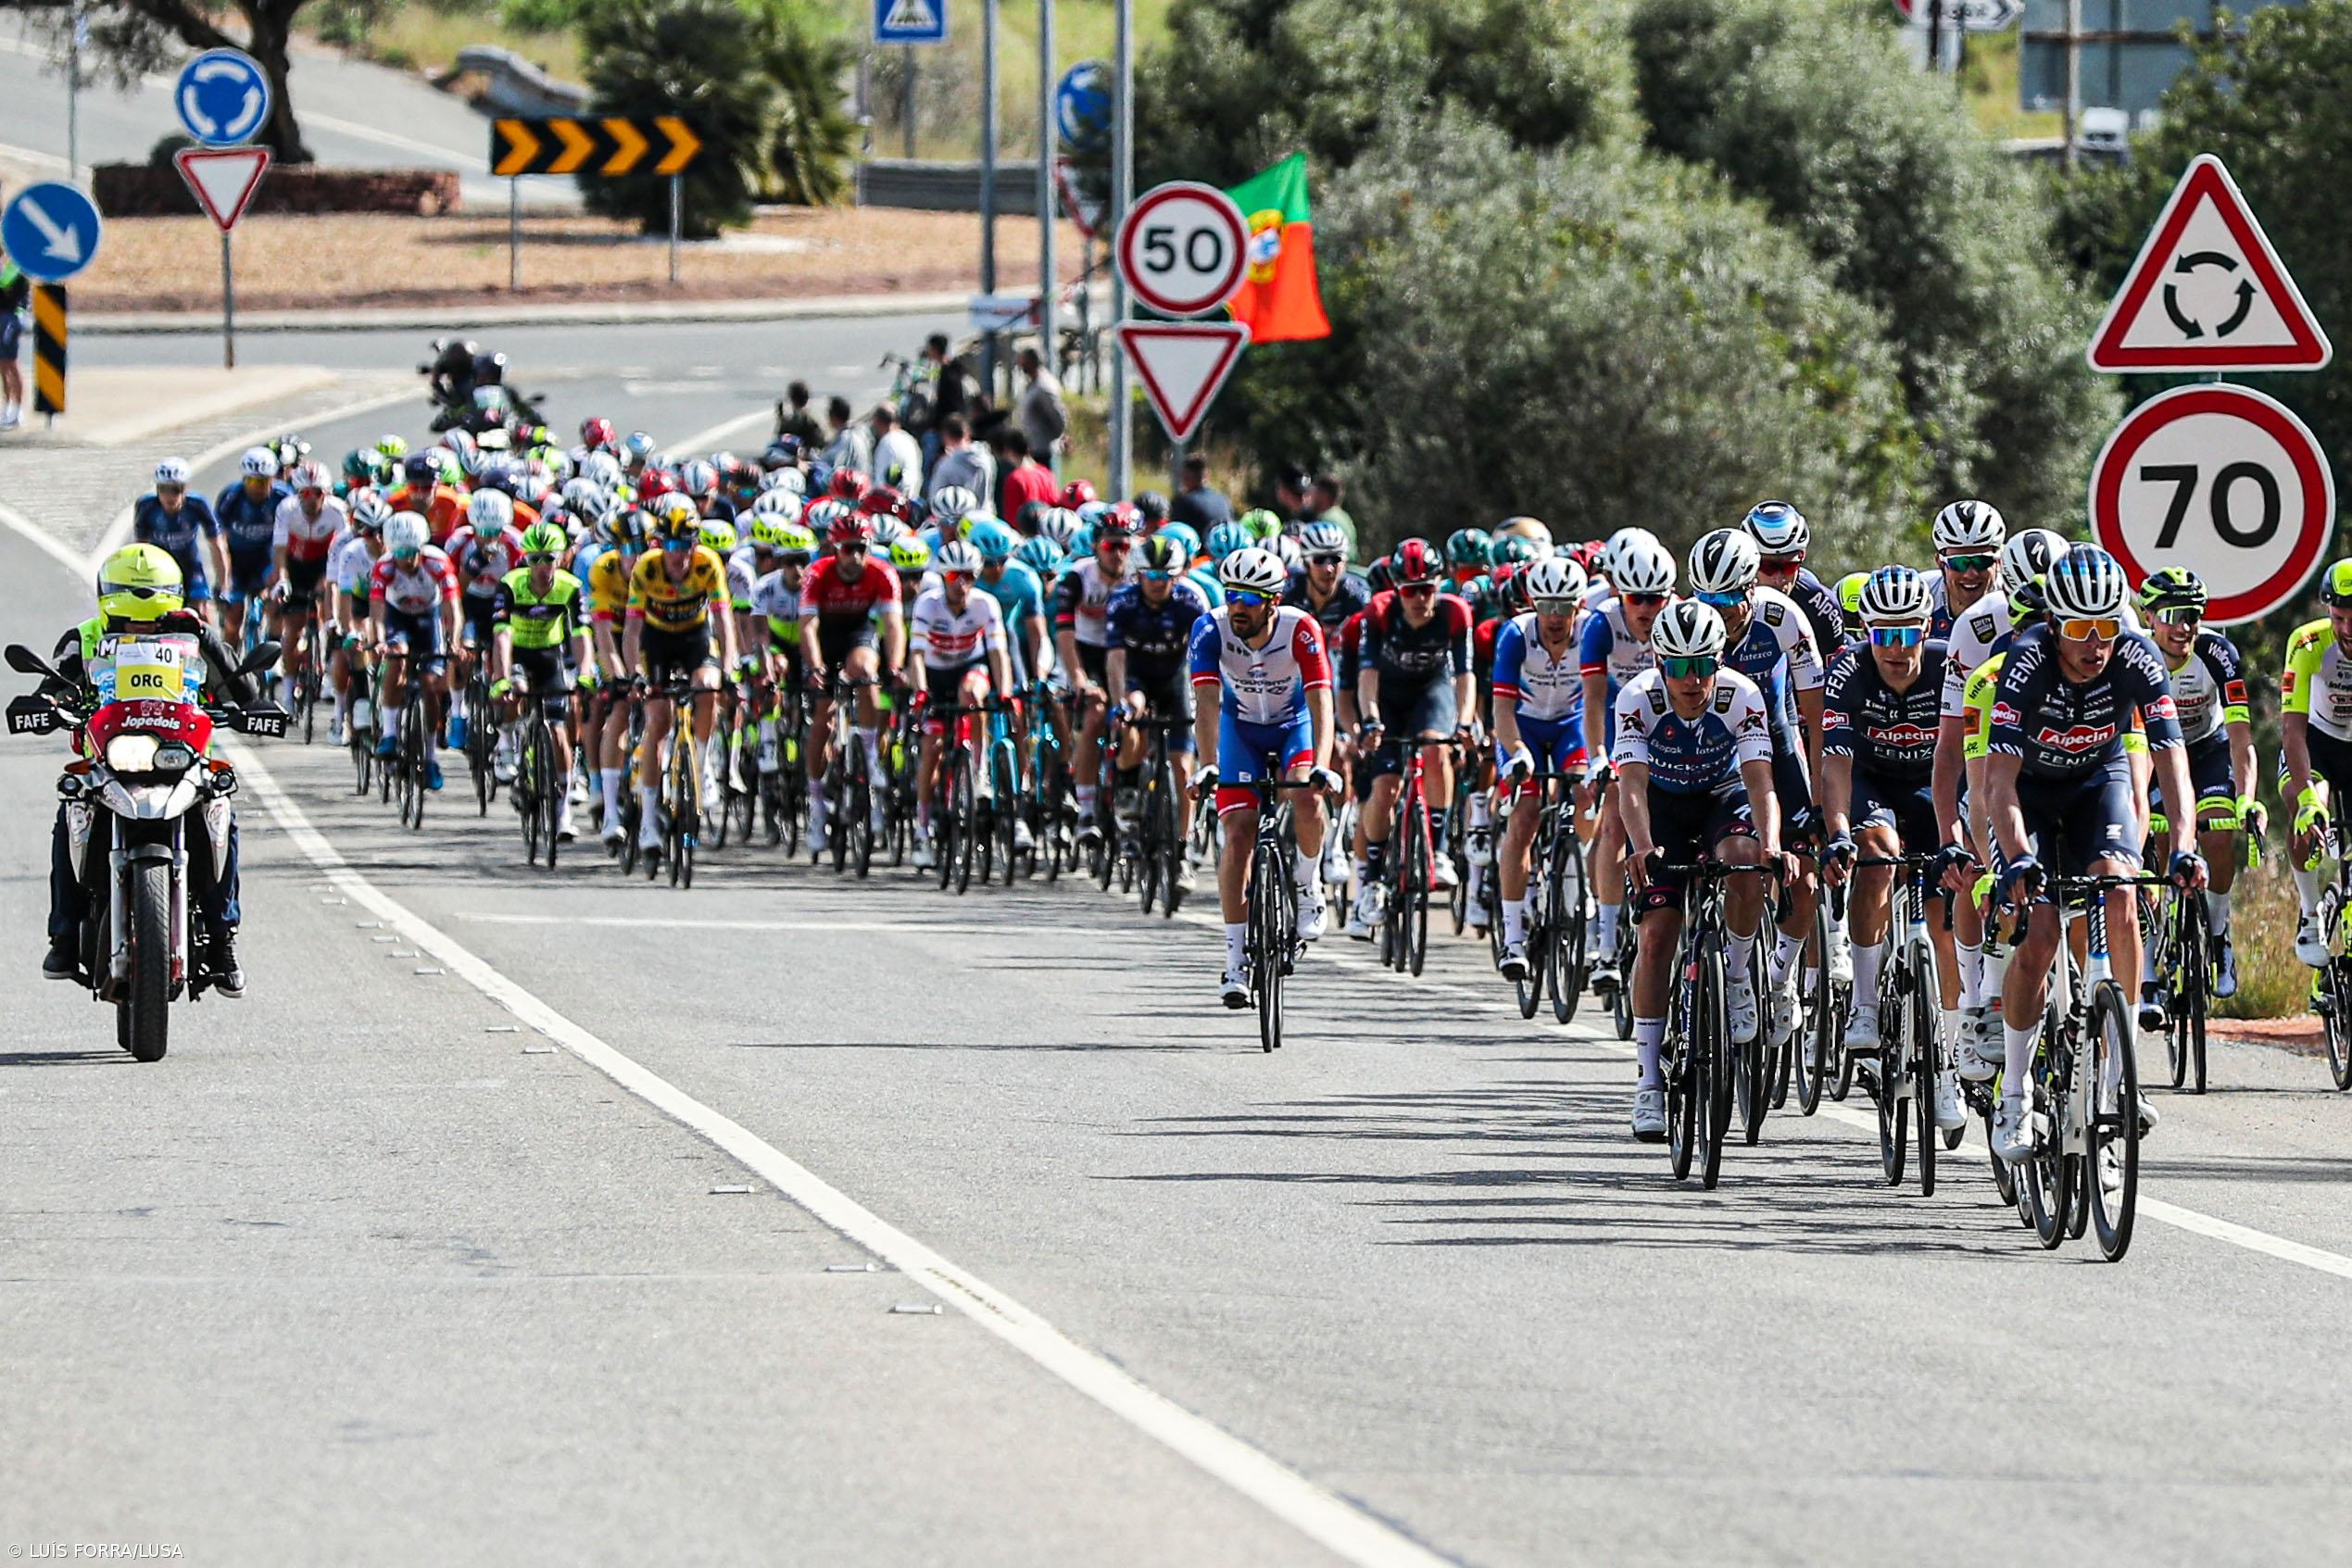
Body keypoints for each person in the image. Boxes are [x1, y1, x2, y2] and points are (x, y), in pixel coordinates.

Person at [1983, 546, 2201, 1163]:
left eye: (2105, 626)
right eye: (2078, 629)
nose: (2094, 643)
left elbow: (2171, 761)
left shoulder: (2137, 656)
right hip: (2028, 789)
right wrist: (2017, 856)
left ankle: (2117, 1084)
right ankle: (2016, 1094)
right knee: (2042, 934)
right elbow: (1996, 782)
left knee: (2121, 893)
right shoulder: (2024, 662)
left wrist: (2181, 846)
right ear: (2053, 624)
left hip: (2094, 783)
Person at [38, 546, 259, 990]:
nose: (140, 626)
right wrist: (46, 707)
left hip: (184, 760)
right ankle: (63, 934)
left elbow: (246, 692)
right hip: (107, 761)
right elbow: (52, 689)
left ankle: (222, 937)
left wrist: (216, 650)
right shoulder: (84, 639)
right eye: (129, 620)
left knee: (223, 818)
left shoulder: (194, 637)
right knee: (70, 817)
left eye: (149, 619)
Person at [1616, 600, 1787, 1141]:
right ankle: (1647, 1083)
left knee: (1744, 859)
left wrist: (1774, 845)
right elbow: (1632, 787)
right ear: (1661, 664)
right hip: (1661, 807)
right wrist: (1641, 846)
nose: (1693, 681)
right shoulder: (1637, 699)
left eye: (1703, 666)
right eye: (1679, 668)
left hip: (1720, 795)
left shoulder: (1742, 695)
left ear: (1719, 660)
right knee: (1658, 933)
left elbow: (1761, 783)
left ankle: (1736, 976)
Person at [1819, 566, 1965, 1133]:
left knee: (1945, 917)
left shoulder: (1949, 664)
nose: (1897, 648)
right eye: (1884, 635)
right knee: (1877, 853)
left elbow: (1967, 756)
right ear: (1866, 633)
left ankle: (1950, 1061)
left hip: (1934, 785)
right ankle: (1863, 1004)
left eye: (1908, 633)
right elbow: (1834, 766)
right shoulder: (1848, 671)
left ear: (1927, 627)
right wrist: (1836, 832)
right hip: (1870, 785)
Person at [1189, 546, 1342, 1003]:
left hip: (1293, 726)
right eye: (1232, 593)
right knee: (1237, 833)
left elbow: (1321, 704)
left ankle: (1308, 882)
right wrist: (1208, 764)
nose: (1238, 605)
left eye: (1250, 599)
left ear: (1272, 602)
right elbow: (1208, 705)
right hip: (1241, 732)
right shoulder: (1209, 629)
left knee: (1306, 795)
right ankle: (1235, 960)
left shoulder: (1301, 630)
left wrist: (1323, 764)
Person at [1352, 537, 1476, 936]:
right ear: (1396, 590)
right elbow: (1366, 678)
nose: (1421, 599)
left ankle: (1437, 851)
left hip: (1431, 692)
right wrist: (1370, 721)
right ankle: (1371, 878)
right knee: (1385, 787)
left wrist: (1467, 722)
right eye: (1411, 591)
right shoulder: (1379, 613)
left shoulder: (1456, 612)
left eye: (1427, 589)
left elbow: (1464, 676)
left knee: (1436, 749)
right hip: (1388, 698)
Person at [1491, 555, 1591, 980]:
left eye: (1565, 606)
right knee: (1525, 816)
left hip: (1573, 726)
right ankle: (1513, 937)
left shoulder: (1592, 632)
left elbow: (1602, 699)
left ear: (1579, 605)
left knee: (1588, 793)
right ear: (1532, 603)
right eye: (1546, 606)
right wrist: (1516, 752)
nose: (1554, 617)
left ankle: (1583, 880)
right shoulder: (1516, 634)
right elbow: (1501, 709)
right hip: (1523, 729)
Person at [623, 502, 741, 856]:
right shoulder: (646, 568)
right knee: (658, 721)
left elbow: (724, 622)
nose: (679, 555)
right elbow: (631, 630)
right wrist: (635, 675)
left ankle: (701, 765)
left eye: (686, 545)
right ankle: (647, 824)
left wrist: (729, 666)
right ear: (660, 545)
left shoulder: (708, 563)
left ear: (695, 544)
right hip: (657, 642)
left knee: (708, 686)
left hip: (694, 638)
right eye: (671, 546)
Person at [798, 510, 906, 857]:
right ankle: (816, 806)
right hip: (824, 639)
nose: (855, 556)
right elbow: (808, 627)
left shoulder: (882, 573)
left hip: (859, 634)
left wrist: (895, 666)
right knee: (822, 716)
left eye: (861, 548)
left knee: (866, 672)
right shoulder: (817, 573)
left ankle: (871, 756)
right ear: (834, 547)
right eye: (847, 549)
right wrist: (815, 667)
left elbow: (893, 625)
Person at [1105, 534, 1215, 871]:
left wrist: (1208, 700)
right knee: (1133, 714)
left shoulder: (1191, 602)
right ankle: (1127, 785)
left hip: (1174, 677)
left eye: (1165, 576)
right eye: (1151, 576)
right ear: (1138, 575)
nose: (1158, 583)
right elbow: (1115, 659)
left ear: (1177, 576)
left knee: (1184, 769)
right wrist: (1119, 702)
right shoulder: (1122, 602)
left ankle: (1182, 847)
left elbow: (1208, 656)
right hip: (1136, 675)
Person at [907, 540, 1013, 868]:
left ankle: (978, 773)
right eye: (955, 575)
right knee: (931, 748)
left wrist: (1006, 692)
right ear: (943, 577)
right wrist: (921, 692)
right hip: (936, 675)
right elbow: (917, 656)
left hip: (969, 667)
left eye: (969, 575)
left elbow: (998, 653)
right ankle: (922, 831)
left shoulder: (986, 604)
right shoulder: (927, 604)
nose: (963, 583)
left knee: (974, 694)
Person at [490, 521, 592, 843]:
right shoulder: (511, 584)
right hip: (518, 653)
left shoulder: (571, 587)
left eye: (548, 558)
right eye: (534, 559)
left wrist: (586, 673)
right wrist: (502, 678)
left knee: (559, 730)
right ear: (525, 560)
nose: (542, 566)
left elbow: (580, 636)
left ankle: (563, 811)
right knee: (516, 690)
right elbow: (503, 636)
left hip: (550, 656)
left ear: (560, 558)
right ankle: (506, 742)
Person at [2280, 561, 2352, 969]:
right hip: (2315, 744)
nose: (2348, 630)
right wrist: (2308, 797)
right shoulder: (2307, 643)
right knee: (2306, 808)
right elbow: (2292, 729)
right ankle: (2310, 914)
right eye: (2339, 618)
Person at [370, 511, 461, 791]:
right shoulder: (384, 567)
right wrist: (379, 640)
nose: (406, 560)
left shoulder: (437, 562)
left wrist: (453, 641)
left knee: (431, 685)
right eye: (400, 553)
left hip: (429, 617)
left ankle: (431, 758)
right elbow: (376, 611)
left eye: (411, 553)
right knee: (396, 658)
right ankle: (389, 733)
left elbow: (453, 607)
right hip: (398, 618)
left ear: (421, 548)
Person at [132, 459, 223, 622]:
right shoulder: (146, 506)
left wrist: (224, 584)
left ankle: (208, 646)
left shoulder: (198, 504)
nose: (169, 496)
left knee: (200, 614)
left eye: (175, 490)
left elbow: (217, 544)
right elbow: (140, 547)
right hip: (158, 569)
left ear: (185, 489)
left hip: (190, 567)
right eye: (163, 490)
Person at [1015, 346, 1068, 472]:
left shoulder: (1044, 386)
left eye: (1023, 361)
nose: (1020, 365)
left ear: (1031, 362)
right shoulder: (1033, 384)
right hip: (1034, 449)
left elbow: (1058, 419)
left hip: (1044, 451)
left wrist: (1050, 439)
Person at [927, 413, 995, 508]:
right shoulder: (988, 459)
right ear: (967, 433)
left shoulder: (946, 465)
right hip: (985, 518)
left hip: (958, 521)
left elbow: (935, 500)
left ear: (945, 436)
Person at [996, 429, 1061, 523]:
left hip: (1026, 533)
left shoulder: (1015, 479)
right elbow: (1055, 503)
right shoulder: (1047, 473)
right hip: (1048, 530)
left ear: (1008, 450)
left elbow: (1011, 518)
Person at [870, 404, 924, 497]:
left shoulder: (888, 443)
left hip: (894, 501)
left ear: (878, 422)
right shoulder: (909, 439)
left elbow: (888, 477)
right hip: (913, 497)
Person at [1170, 454, 1233, 533]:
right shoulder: (1224, 499)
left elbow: (1174, 533)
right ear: (1207, 475)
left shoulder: (1183, 502)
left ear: (1185, 476)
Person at [1299, 474, 1358, 559]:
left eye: (1313, 492)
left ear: (1323, 495)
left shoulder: (1325, 520)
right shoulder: (1344, 517)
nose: (1309, 497)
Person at [0, 249, 27, 430]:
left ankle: (17, 410)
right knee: (3, 365)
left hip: (11, 318)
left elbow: (6, 285)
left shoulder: (16, 267)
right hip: (3, 317)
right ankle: (8, 407)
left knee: (11, 363)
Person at [822, 395, 873, 475]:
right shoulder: (860, 431)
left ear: (834, 416)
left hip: (852, 482)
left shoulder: (845, 438)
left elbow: (829, 462)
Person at [774, 380, 824, 449]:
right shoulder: (812, 421)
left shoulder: (787, 422)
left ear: (791, 399)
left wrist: (781, 421)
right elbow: (820, 443)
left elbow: (778, 443)